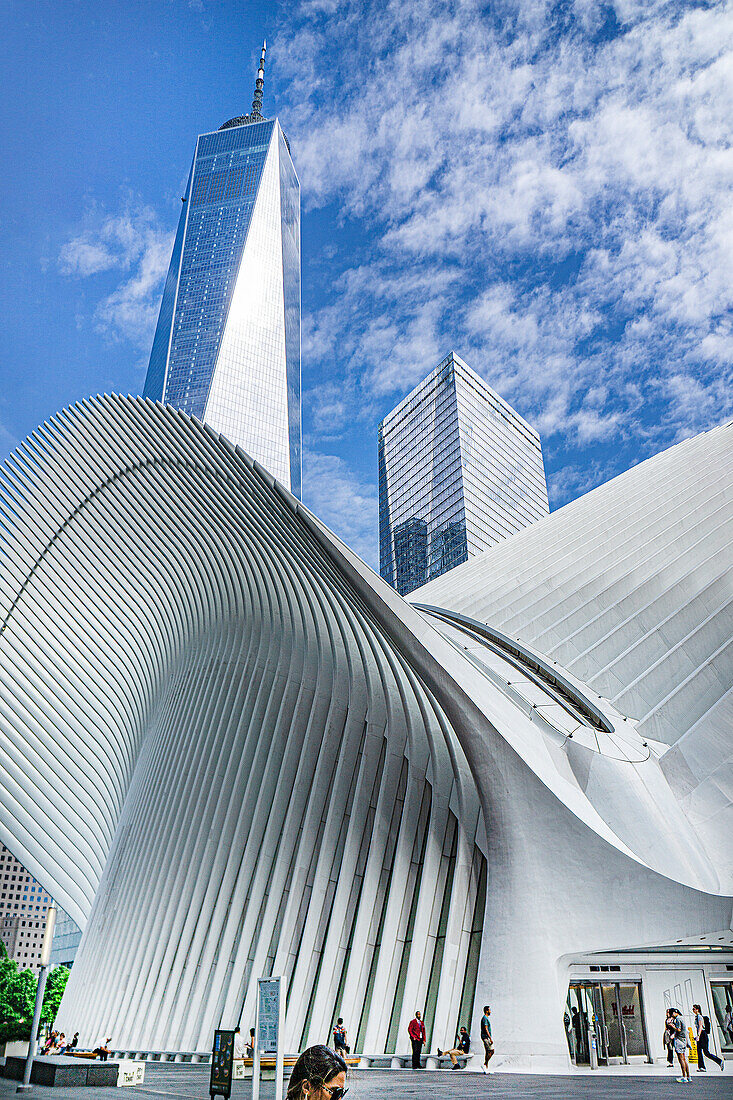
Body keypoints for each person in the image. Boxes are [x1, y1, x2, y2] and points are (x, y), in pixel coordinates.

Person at [693, 1003, 724, 1072]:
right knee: (699, 1051)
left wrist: (698, 1035)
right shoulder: (697, 1017)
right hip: (701, 1034)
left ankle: (719, 1061)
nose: (693, 1010)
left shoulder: (699, 1017)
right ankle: (701, 1067)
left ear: (697, 1009)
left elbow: (700, 1026)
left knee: (706, 1052)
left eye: (694, 1009)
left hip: (702, 1035)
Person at [670, 1010, 690, 1083]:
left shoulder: (678, 1019)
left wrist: (672, 1026)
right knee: (684, 1059)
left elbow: (678, 1029)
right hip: (683, 1040)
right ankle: (688, 1076)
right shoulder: (681, 1018)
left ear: (676, 1012)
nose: (672, 1015)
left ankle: (684, 1077)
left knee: (681, 1059)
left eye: (672, 1013)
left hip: (679, 1040)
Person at [481, 1005, 494, 1073]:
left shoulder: (485, 1018)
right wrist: (490, 1038)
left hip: (485, 1037)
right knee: (491, 1051)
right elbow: (486, 1029)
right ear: (487, 1011)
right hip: (486, 1037)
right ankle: (485, 1064)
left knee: (487, 1052)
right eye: (489, 1010)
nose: (490, 1011)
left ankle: (486, 1067)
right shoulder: (485, 1018)